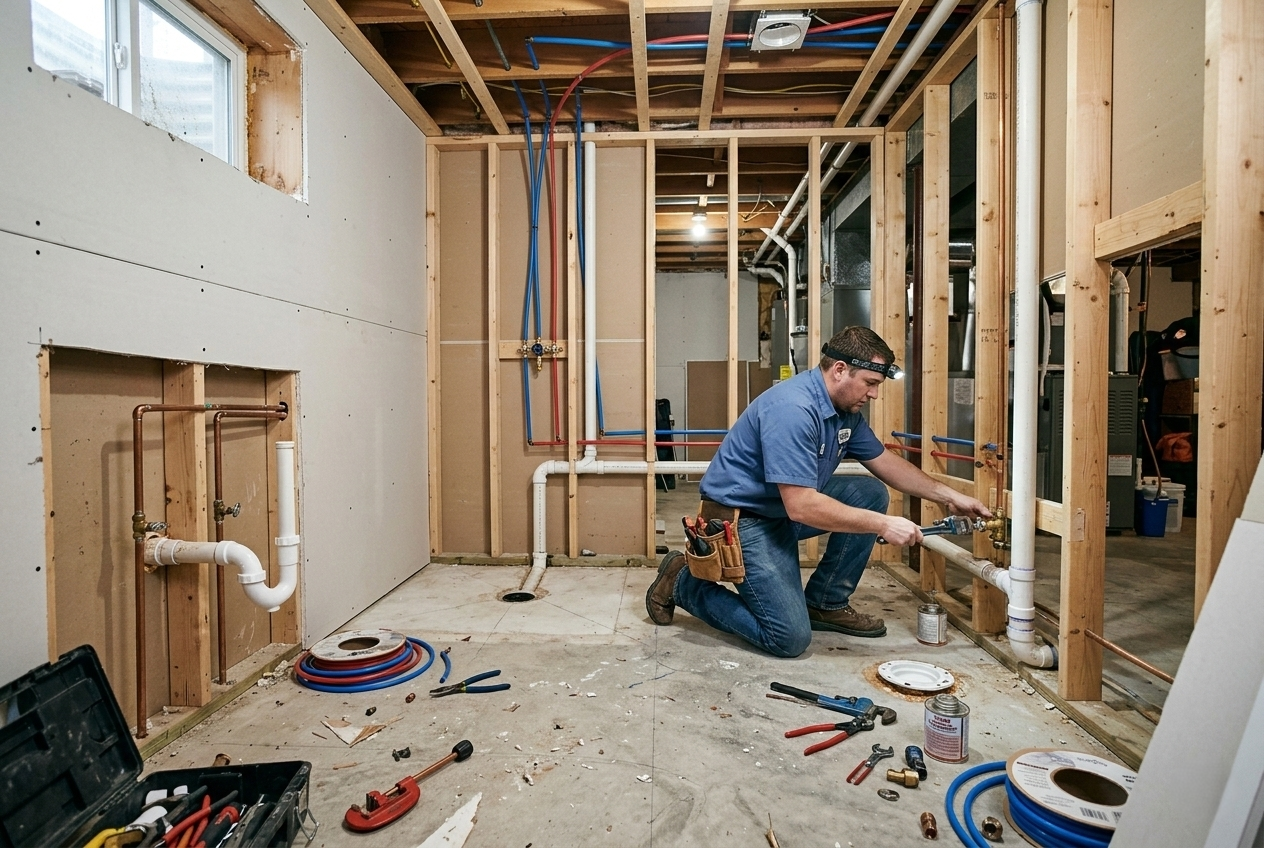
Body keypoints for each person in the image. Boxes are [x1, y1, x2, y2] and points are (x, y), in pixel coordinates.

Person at [645, 326, 991, 657]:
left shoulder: (844, 412)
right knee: (788, 638)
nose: (873, 394)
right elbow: (802, 507)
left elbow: (885, 462)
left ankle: (825, 603)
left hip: (777, 511)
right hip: (741, 521)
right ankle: (683, 583)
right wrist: (883, 525)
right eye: (870, 383)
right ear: (840, 370)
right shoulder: (793, 410)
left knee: (869, 492)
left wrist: (949, 496)